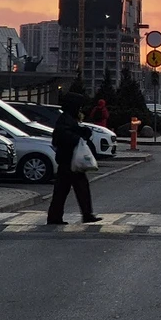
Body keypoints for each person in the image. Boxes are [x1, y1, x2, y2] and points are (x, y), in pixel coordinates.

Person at [47, 91, 102, 225]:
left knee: (69, 189)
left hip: (70, 160)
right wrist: (79, 136)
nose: (80, 109)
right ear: (73, 106)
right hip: (68, 161)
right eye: (79, 106)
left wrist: (81, 132)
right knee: (69, 189)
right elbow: (61, 137)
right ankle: (60, 217)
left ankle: (58, 216)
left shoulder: (68, 118)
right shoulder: (65, 119)